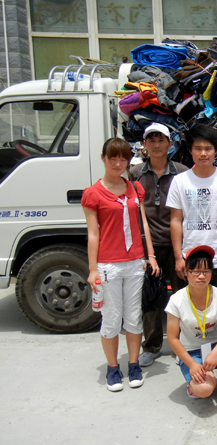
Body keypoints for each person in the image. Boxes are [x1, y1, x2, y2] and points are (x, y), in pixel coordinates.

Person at [82, 137, 160, 392]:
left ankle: (134, 365)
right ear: (103, 159)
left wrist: (150, 255)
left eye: (123, 158)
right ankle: (113, 367)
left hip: (135, 262)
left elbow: (143, 223)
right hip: (109, 265)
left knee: (134, 318)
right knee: (112, 319)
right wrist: (93, 269)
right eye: (112, 158)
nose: (117, 163)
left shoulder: (135, 188)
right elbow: (93, 233)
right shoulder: (93, 193)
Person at [129, 123, 188, 367]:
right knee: (150, 297)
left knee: (182, 296)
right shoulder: (135, 173)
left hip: (177, 245)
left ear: (169, 144)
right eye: (151, 140)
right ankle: (152, 346)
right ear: (144, 145)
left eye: (161, 140)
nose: (156, 145)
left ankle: (183, 345)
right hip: (148, 247)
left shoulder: (182, 172)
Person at [167, 124, 217, 308]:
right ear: (190, 151)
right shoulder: (179, 181)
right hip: (192, 260)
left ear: (216, 151)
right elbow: (176, 220)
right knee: (194, 312)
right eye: (198, 148)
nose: (203, 154)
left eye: (208, 149)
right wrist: (179, 257)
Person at [165, 245, 217, 412]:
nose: (201, 276)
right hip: (191, 350)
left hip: (215, 346)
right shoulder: (176, 300)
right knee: (205, 389)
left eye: (206, 271)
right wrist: (191, 364)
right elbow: (172, 337)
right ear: (186, 272)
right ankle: (195, 379)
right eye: (196, 271)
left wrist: (215, 353)